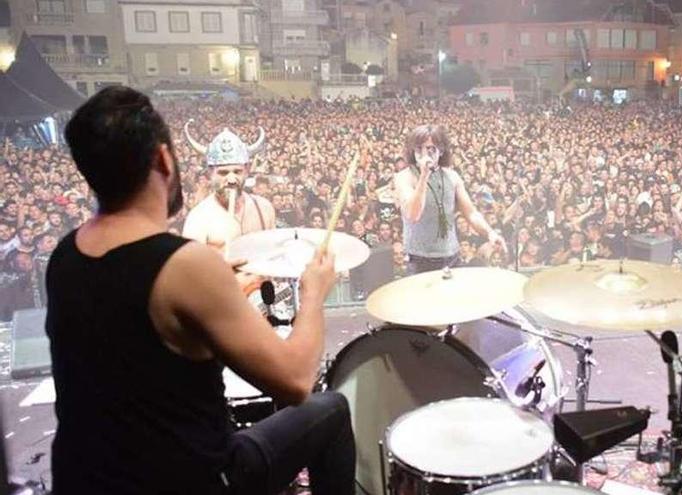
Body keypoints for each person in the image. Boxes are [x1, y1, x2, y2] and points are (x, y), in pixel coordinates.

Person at [47, 87, 354, 494]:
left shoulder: (66, 254)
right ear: (163, 159)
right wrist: (314, 292)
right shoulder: (185, 264)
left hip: (86, 479)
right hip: (191, 479)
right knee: (329, 408)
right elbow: (295, 380)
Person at [394, 124, 506, 274]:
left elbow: (471, 213)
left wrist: (490, 233)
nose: (424, 154)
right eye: (419, 149)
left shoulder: (452, 177)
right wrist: (423, 176)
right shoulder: (404, 177)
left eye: (430, 149)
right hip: (419, 259)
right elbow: (413, 214)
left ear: (440, 151)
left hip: (451, 256)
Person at [181, 120, 276, 252]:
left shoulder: (264, 208)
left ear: (247, 170)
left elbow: (273, 254)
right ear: (210, 172)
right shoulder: (198, 219)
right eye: (223, 173)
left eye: (237, 172)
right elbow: (191, 269)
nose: (231, 179)